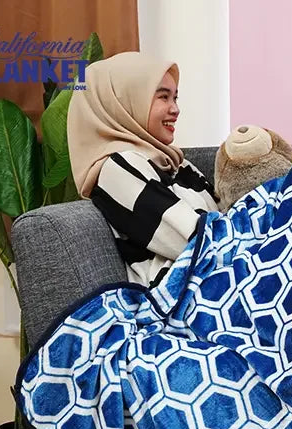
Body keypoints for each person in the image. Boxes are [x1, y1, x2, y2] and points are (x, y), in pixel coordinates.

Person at [67, 52, 218, 287]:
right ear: (123, 104)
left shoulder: (175, 163)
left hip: (221, 273)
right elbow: (194, 241)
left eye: (175, 98)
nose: (175, 109)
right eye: (163, 97)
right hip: (188, 291)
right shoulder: (117, 169)